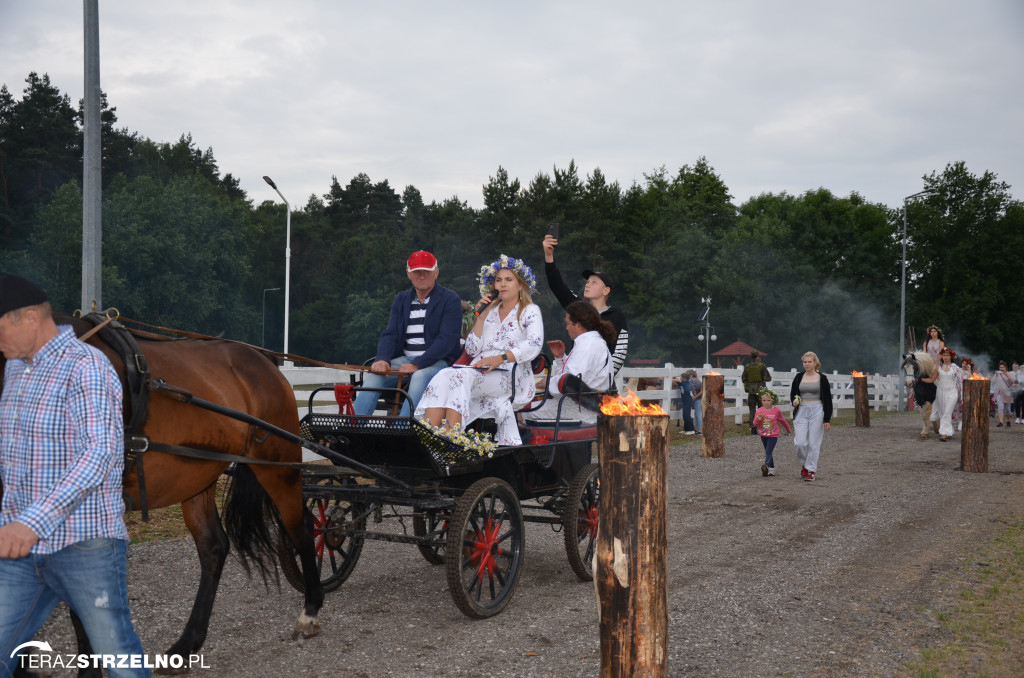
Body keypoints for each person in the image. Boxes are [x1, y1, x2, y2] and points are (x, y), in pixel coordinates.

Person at [0, 274, 149, 678]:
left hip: (85, 544)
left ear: (29, 318)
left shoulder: (87, 368)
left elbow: (98, 455)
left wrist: (31, 523)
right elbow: (15, 459)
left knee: (119, 660)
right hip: (19, 549)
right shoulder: (16, 369)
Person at [416, 255, 544, 445]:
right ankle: (428, 440)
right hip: (479, 369)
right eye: (498, 280)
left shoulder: (530, 310)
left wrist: (500, 358)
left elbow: (534, 343)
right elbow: (472, 348)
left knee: (460, 377)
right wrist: (481, 318)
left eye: (509, 280)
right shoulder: (490, 312)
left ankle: (452, 440)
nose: (502, 284)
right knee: (444, 375)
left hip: (510, 373)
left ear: (521, 285)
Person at [353, 251, 463, 417]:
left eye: (427, 271)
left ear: (436, 273)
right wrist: (382, 359)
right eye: (417, 272)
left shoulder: (450, 299)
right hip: (405, 361)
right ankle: (353, 428)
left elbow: (447, 340)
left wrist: (417, 363)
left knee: (419, 376)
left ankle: (403, 429)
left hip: (437, 362)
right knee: (376, 375)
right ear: (408, 274)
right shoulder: (402, 299)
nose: (422, 276)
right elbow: (391, 334)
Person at [541, 234, 628, 374]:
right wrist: (549, 255)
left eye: (594, 282)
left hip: (602, 385)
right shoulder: (578, 308)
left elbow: (619, 353)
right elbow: (557, 285)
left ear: (606, 290)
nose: (588, 284)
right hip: (576, 381)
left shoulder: (617, 316)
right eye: (588, 281)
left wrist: (602, 379)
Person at [524, 300, 614, 425]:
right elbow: (571, 377)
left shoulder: (587, 345)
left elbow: (569, 383)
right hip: (586, 407)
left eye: (568, 324)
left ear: (578, 325)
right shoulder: (593, 342)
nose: (566, 328)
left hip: (580, 411)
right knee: (530, 406)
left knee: (521, 410)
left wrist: (547, 383)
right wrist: (561, 357)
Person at [789, 351, 832, 482]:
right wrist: (794, 401)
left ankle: (811, 470)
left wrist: (827, 419)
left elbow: (828, 399)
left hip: (817, 410)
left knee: (814, 443)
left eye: (809, 362)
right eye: (805, 362)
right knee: (800, 443)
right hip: (802, 410)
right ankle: (804, 464)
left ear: (815, 363)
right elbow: (793, 394)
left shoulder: (822, 378)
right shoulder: (798, 377)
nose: (807, 364)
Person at [921, 347, 961, 441]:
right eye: (944, 355)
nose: (945, 357)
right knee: (943, 413)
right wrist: (921, 379)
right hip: (941, 392)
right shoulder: (938, 367)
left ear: (951, 356)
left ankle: (943, 433)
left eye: (947, 355)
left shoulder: (956, 368)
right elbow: (931, 379)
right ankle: (949, 431)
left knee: (947, 411)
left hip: (952, 391)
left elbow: (960, 381)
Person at [753, 388, 791, 477]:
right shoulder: (759, 411)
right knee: (768, 451)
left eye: (768, 400)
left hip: (773, 435)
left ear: (773, 401)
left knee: (768, 452)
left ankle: (765, 466)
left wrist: (788, 429)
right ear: (761, 401)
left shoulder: (776, 411)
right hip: (763, 434)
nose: (766, 402)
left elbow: (783, 421)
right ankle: (772, 469)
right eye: (764, 400)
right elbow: (755, 424)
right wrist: (757, 419)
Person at [741, 350, 772, 434]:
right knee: (762, 409)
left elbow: (743, 378)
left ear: (751, 357)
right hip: (760, 390)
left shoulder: (747, 367)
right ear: (758, 356)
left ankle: (753, 427)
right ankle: (762, 426)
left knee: (752, 409)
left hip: (751, 390)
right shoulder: (762, 366)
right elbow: (768, 378)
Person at [992, 361, 1015, 428]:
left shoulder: (1009, 373)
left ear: (1005, 367)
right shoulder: (997, 374)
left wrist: (1007, 376)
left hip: (1007, 394)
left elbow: (1013, 382)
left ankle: (1008, 420)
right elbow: (992, 382)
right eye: (1000, 367)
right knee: (1000, 407)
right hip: (999, 393)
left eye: (1003, 367)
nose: (1001, 368)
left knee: (1007, 409)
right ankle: (1001, 422)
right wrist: (995, 375)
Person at [690, 371, 704, 435]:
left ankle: (700, 429)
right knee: (696, 413)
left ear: (691, 376)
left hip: (697, 399)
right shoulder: (697, 381)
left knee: (698, 413)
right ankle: (698, 428)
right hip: (696, 398)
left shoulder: (698, 382)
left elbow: (701, 391)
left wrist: (695, 397)